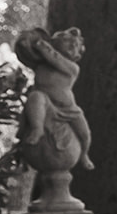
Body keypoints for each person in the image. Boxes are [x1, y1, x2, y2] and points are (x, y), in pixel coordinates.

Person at [14, 27, 95, 171]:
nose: (71, 46)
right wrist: (25, 42)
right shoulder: (41, 64)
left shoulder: (72, 67)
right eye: (66, 41)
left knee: (85, 133)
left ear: (77, 56)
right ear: (53, 42)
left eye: (75, 46)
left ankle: (84, 154)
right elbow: (26, 55)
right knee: (35, 97)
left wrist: (41, 44)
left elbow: (54, 58)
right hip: (45, 102)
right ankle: (37, 128)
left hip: (68, 108)